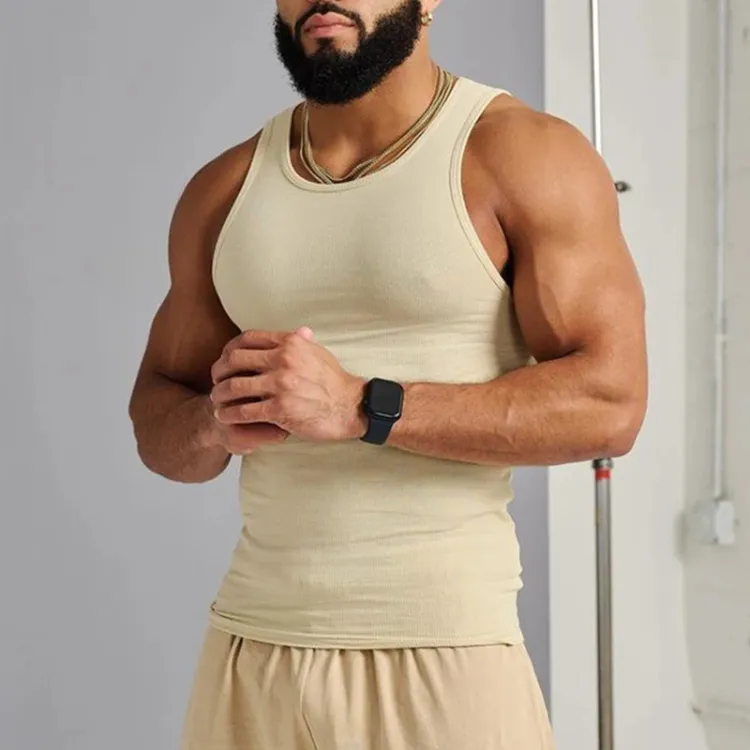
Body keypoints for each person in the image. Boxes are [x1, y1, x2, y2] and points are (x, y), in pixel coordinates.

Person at [128, 1, 648, 748]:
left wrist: (359, 406)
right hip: (251, 651)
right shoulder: (225, 189)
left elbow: (610, 403)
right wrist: (215, 420)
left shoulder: (521, 154)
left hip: (442, 654)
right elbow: (157, 423)